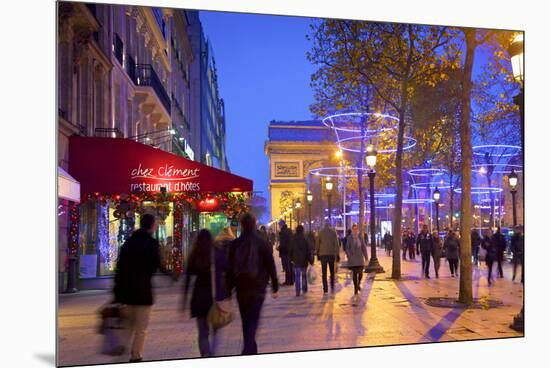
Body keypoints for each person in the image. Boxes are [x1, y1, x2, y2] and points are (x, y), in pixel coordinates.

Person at [226, 212, 279, 355]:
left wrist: (228, 289)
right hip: (258, 288)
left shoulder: (234, 244)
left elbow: (229, 269)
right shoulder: (263, 243)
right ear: (254, 224)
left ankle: (249, 349)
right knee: (253, 321)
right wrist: (275, 286)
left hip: (241, 288)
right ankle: (248, 349)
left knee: (245, 321)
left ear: (242, 225)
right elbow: (270, 265)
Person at [113, 214, 161, 363]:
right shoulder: (152, 243)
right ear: (152, 226)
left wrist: (117, 292)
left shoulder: (128, 243)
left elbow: (119, 269)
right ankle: (136, 355)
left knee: (128, 324)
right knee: (141, 327)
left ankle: (121, 347)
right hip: (143, 292)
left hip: (127, 292)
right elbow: (154, 266)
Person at [183, 228, 232, 357]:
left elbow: (188, 278)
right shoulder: (217, 252)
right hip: (215, 296)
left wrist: (183, 300)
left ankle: (205, 354)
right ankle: (212, 354)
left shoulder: (194, 253)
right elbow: (228, 269)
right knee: (216, 328)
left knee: (203, 332)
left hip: (199, 298)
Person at [316, 219, 340, 294]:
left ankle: (325, 288)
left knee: (324, 272)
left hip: (323, 254)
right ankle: (332, 285)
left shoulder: (321, 232)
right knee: (332, 271)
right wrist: (337, 254)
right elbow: (336, 244)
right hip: (331, 254)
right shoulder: (333, 232)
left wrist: (317, 252)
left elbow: (317, 244)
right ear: (330, 224)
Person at [289, 225, 313, 296]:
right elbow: (308, 250)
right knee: (304, 275)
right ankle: (304, 289)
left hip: (296, 260)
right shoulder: (305, 239)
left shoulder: (293, 239)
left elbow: (290, 250)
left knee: (297, 276)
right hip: (304, 261)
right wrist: (310, 260)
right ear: (302, 230)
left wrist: (291, 258)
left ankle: (297, 291)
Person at [345, 224, 369, 295]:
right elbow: (347, 248)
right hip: (353, 259)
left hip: (359, 258)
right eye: (354, 229)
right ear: (352, 230)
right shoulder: (349, 238)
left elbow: (364, 247)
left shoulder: (360, 237)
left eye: (356, 229)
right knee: (355, 274)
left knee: (361, 274)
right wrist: (349, 255)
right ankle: (355, 288)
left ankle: (358, 284)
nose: (355, 230)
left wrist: (366, 257)